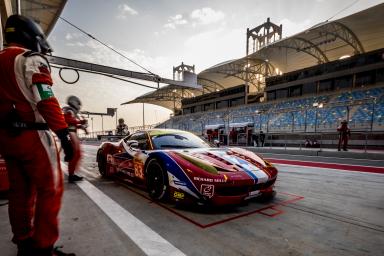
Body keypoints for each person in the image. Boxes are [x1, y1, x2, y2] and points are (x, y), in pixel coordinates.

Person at [0, 15, 76, 256]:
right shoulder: (29, 59)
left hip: (7, 138)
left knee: (19, 192)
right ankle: (44, 247)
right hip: (33, 136)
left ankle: (24, 242)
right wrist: (63, 132)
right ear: (29, 37)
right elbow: (45, 97)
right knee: (51, 189)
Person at [62, 95, 88, 182]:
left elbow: (72, 123)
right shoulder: (68, 110)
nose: (79, 107)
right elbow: (67, 120)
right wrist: (81, 122)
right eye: (78, 104)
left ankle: (71, 174)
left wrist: (81, 126)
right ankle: (71, 175)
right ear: (75, 102)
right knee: (75, 154)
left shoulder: (69, 110)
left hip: (71, 133)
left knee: (75, 155)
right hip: (70, 133)